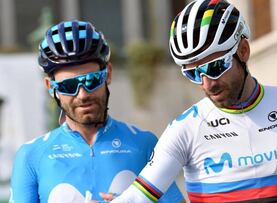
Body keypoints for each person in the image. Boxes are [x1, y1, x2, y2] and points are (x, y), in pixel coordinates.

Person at [111, 0, 277, 202]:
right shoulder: (185, 129)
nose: (207, 83)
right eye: (193, 73)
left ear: (244, 51)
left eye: (216, 66)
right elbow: (136, 197)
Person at [10, 20, 184, 203]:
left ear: (107, 74)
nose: (83, 95)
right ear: (50, 87)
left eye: (92, 80)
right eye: (69, 86)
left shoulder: (144, 144)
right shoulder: (30, 155)